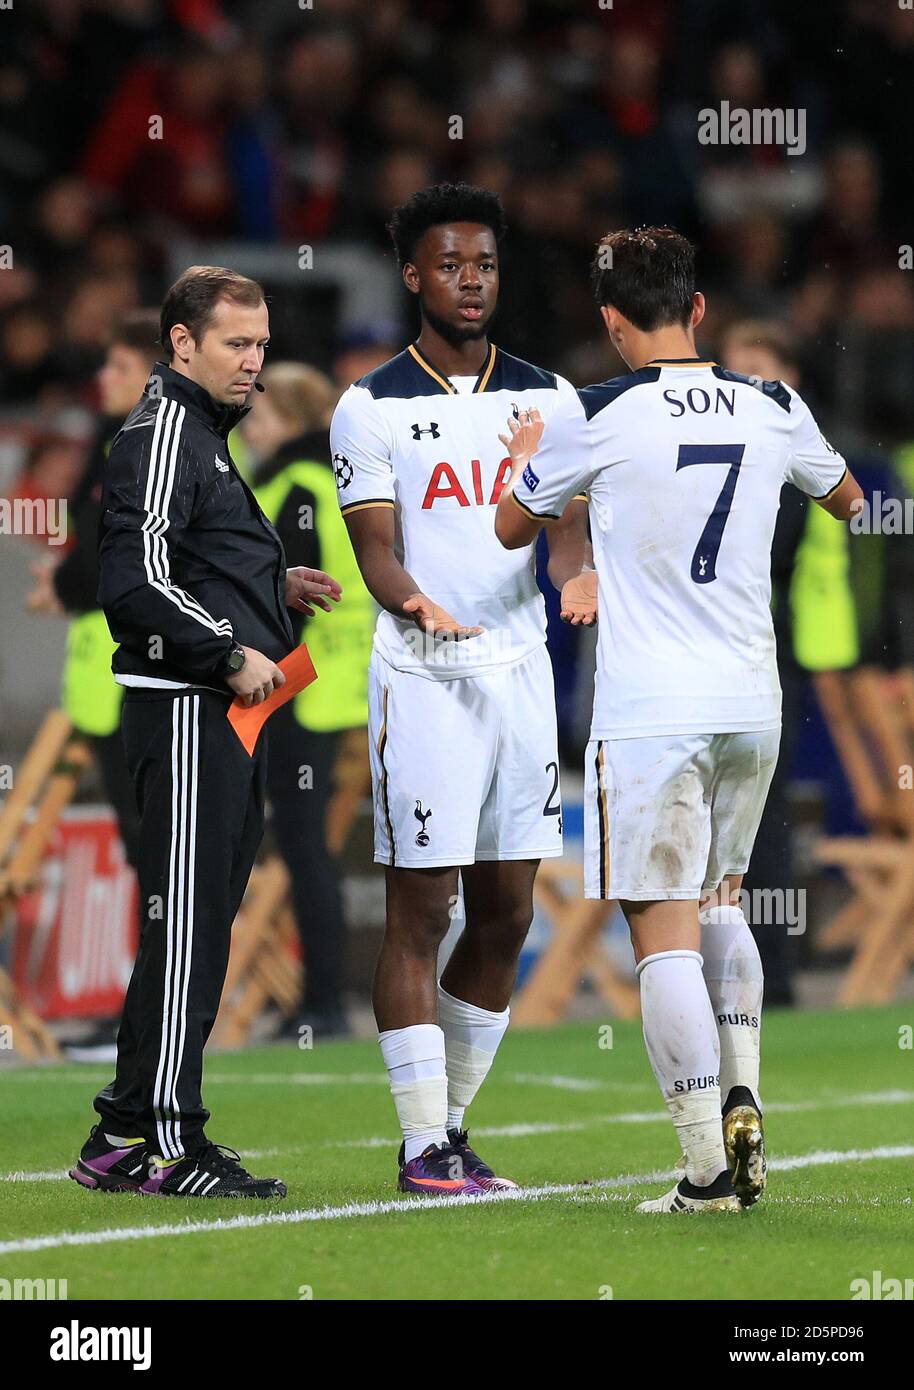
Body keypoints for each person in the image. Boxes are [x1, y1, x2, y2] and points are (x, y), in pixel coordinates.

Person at [494, 227, 862, 1213]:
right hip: (750, 700)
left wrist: (531, 465)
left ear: (613, 325)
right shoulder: (772, 403)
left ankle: (705, 1164)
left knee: (660, 935)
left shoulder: (592, 409)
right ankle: (741, 1087)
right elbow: (848, 499)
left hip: (652, 711)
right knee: (721, 905)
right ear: (699, 311)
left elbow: (509, 529)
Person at [330, 183, 595, 1197]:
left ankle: (451, 1130)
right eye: (448, 264)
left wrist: (573, 571)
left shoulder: (549, 397)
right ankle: (416, 1145)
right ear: (412, 275)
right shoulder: (369, 405)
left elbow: (563, 520)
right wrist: (414, 607)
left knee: (507, 915)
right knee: (422, 908)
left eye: (481, 264)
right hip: (423, 680)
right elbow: (376, 552)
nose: (469, 280)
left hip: (519, 674)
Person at [69, 265, 342, 1200]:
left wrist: (276, 593)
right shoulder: (161, 436)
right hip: (188, 709)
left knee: (194, 927)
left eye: (261, 345)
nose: (253, 363)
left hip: (219, 714)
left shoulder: (201, 436)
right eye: (236, 343)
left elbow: (188, 563)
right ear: (182, 342)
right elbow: (133, 584)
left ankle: (120, 1135)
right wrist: (231, 652)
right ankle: (172, 1146)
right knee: (187, 928)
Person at [27, 310, 161, 1061]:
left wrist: (66, 581)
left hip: (135, 684)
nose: (102, 381)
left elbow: (103, 560)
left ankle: (150, 1021)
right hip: (110, 686)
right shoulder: (121, 446)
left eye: (115, 367)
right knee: (146, 854)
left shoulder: (137, 450)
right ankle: (142, 1016)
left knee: (154, 853)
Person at [720, 320, 858, 1005]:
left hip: (776, 650)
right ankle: (713, 971)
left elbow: (780, 541)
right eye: (732, 367)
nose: (741, 380)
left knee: (762, 809)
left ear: (791, 379)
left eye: (759, 368)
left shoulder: (794, 446)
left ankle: (770, 973)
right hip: (741, 646)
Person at [245, 362, 376, 1040]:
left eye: (261, 419)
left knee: (303, 846)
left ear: (292, 422)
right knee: (317, 846)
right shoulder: (348, 479)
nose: (250, 433)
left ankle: (324, 1000)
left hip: (300, 681)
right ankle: (324, 998)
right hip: (356, 678)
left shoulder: (291, 484)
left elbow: (282, 599)